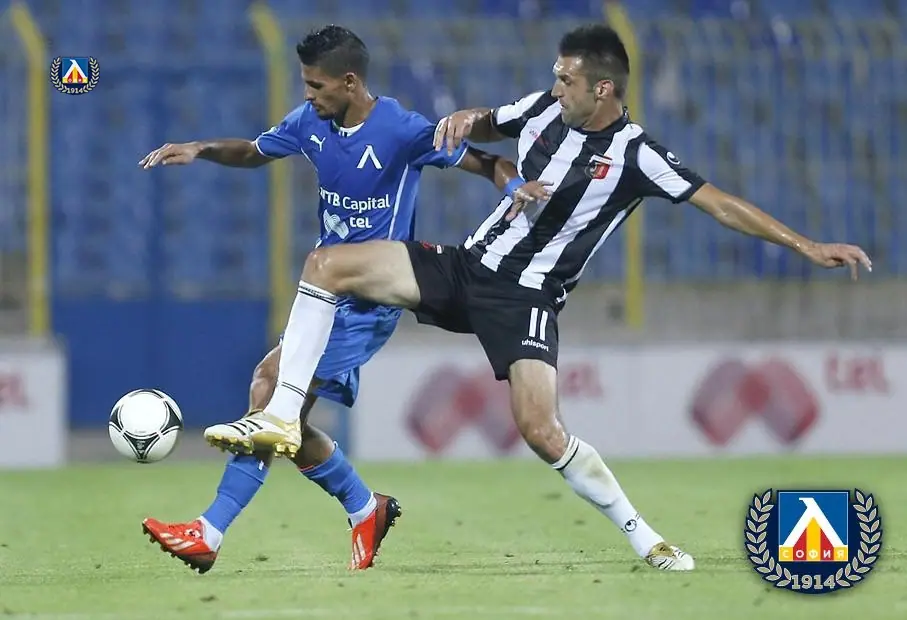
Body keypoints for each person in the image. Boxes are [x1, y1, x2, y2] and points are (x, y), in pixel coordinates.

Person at [205, 24, 872, 571]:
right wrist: (465, 120)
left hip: (525, 298)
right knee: (325, 264)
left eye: (566, 80)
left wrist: (806, 245)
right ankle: (282, 415)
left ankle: (646, 537)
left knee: (541, 431)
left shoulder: (636, 154)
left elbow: (719, 203)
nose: (555, 88)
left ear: (602, 88)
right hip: (467, 266)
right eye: (555, 77)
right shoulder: (543, 109)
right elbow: (487, 123)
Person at [135, 25, 549, 574]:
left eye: (316, 85)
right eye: (305, 84)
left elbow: (483, 161)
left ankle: (208, 532)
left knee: (271, 392)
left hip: (370, 298)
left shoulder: (399, 128)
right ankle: (364, 508)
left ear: (350, 82)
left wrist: (513, 184)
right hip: (325, 296)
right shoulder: (311, 122)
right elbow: (255, 151)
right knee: (282, 409)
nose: (308, 95)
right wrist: (200, 148)